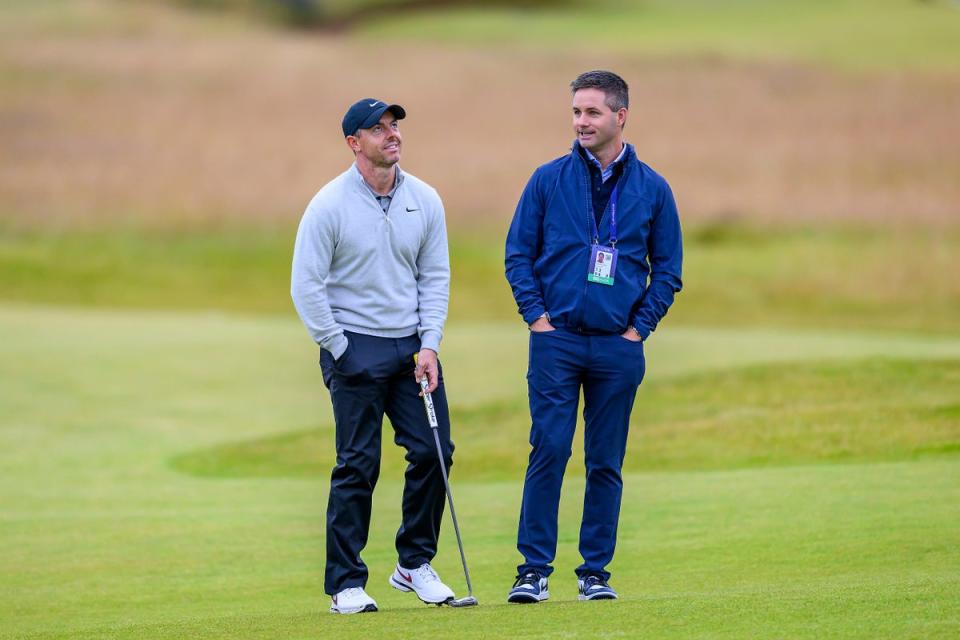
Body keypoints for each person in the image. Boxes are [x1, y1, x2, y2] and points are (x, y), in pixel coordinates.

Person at [504, 70, 683, 603]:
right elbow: (518, 254)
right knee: (550, 449)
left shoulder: (652, 188)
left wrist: (638, 329)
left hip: (616, 346)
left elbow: (668, 268)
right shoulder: (547, 179)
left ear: (620, 116)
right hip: (555, 340)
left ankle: (594, 573)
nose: (582, 122)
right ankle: (533, 571)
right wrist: (537, 318)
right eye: (577, 112)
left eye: (593, 113)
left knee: (605, 461)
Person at [291, 98, 456, 614]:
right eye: (378, 128)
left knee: (435, 452)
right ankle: (345, 583)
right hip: (354, 346)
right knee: (358, 465)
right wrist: (339, 347)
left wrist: (430, 343)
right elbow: (306, 286)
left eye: (395, 125)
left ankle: (413, 564)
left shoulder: (425, 199)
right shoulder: (329, 204)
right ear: (353, 143)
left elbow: (434, 276)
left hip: (412, 350)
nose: (392, 134)